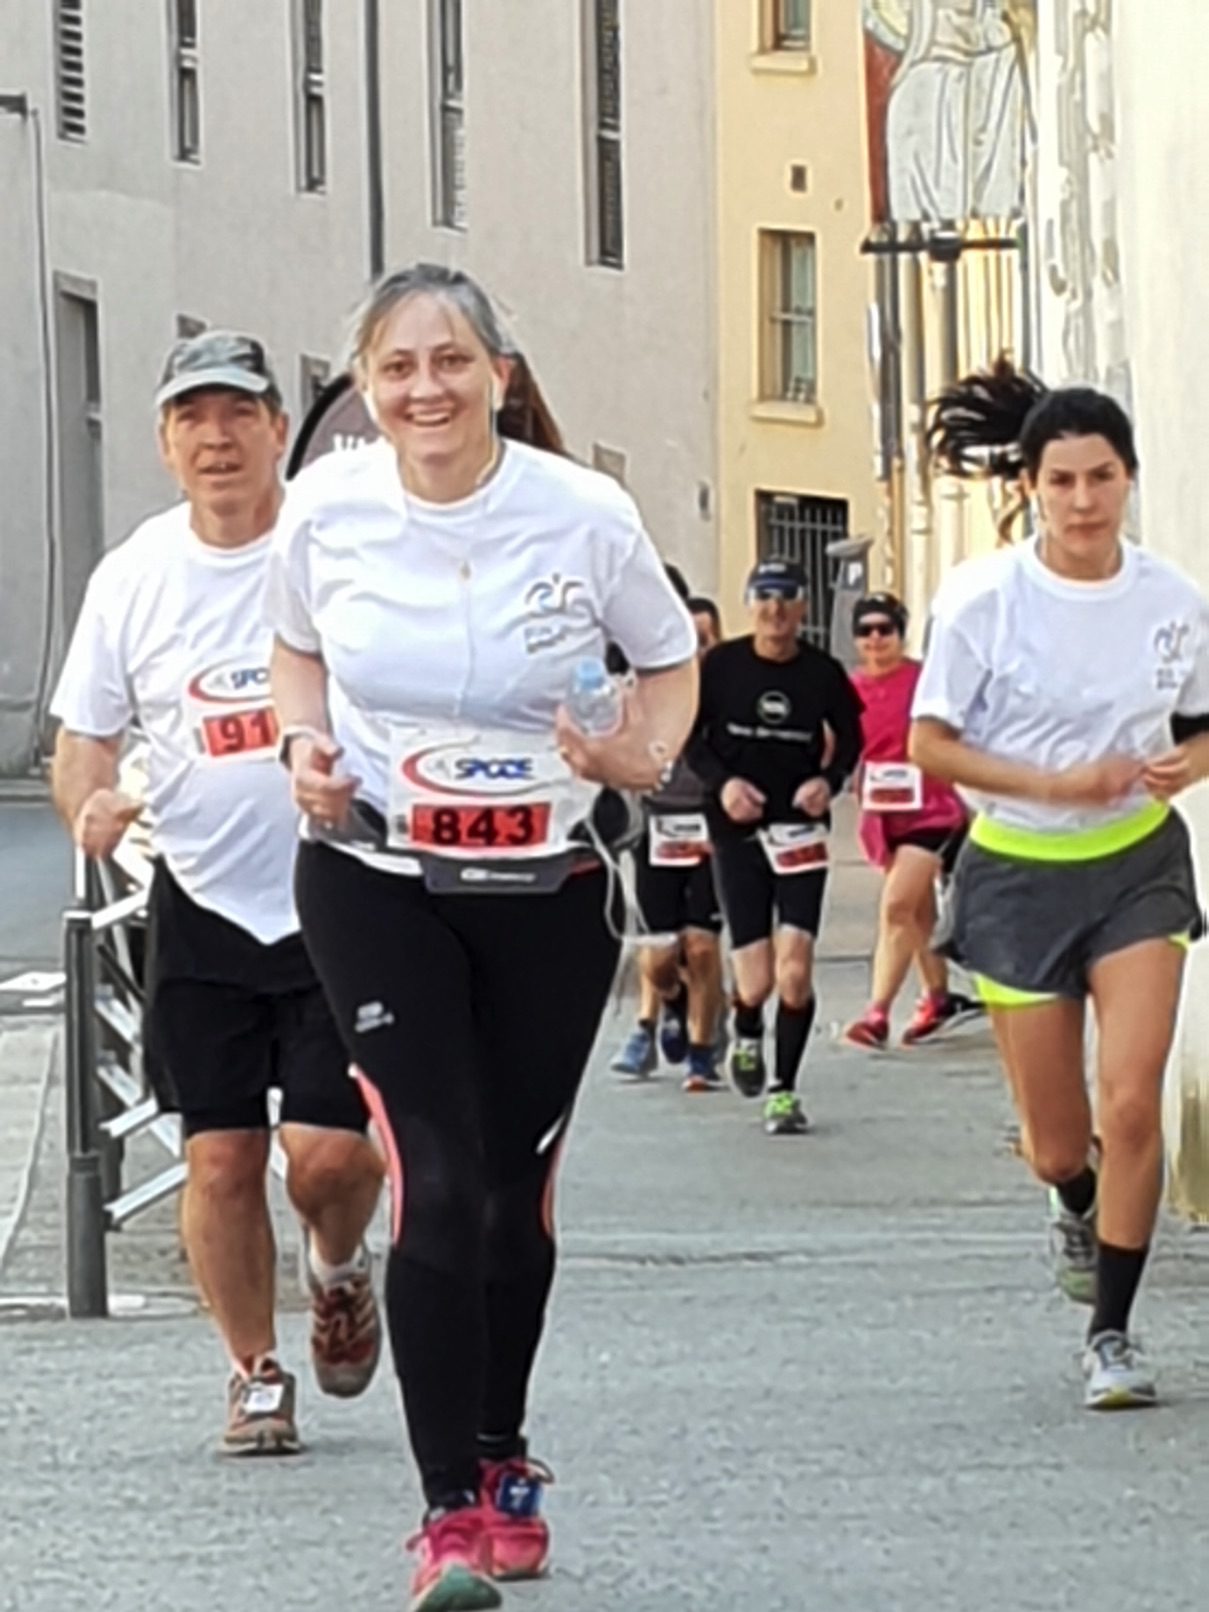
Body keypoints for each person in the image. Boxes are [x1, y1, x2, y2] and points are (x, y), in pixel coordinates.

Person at [265, 262, 697, 1611]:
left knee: (514, 1194)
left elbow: (671, 660)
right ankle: (447, 1510)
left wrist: (635, 758)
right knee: (437, 1179)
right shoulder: (325, 508)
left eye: (450, 361)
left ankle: (504, 1449)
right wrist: (301, 746)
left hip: (546, 888)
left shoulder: (583, 514)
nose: (426, 390)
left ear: (499, 376)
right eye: (397, 367)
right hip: (375, 872)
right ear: (364, 387)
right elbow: (293, 652)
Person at [49, 331, 384, 1455]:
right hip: (199, 900)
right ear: (164, 442)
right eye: (193, 417)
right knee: (221, 1157)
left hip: (336, 889)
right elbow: (83, 741)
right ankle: (254, 1372)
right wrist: (91, 807)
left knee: (328, 1157)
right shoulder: (135, 575)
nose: (217, 437)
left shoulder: (332, 547)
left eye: (239, 412)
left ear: (279, 429)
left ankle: (338, 1264)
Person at [912, 358, 1209, 1410]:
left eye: (1101, 477)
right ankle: (1072, 1199)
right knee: (1054, 1140)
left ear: (1129, 478)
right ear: (1030, 487)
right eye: (1062, 481)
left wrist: (1190, 764)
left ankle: (1112, 1333)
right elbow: (930, 743)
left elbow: (1201, 723)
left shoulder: (1173, 600)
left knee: (1131, 1102)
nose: (1083, 501)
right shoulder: (984, 600)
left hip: (1136, 866)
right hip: (1017, 871)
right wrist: (1050, 783)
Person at [688, 556, 864, 1135]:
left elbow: (851, 739)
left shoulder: (822, 672)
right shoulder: (721, 667)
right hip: (737, 827)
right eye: (764, 596)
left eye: (787, 596)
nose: (775, 608)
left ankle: (784, 1090)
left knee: (794, 974)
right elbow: (690, 738)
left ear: (804, 607)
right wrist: (724, 785)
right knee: (757, 981)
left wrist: (829, 782)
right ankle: (745, 1027)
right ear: (749, 605)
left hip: (799, 828)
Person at [842, 590, 982, 1049]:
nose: (875, 639)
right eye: (865, 630)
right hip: (883, 819)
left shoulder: (925, 681)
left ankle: (876, 1014)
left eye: (885, 629)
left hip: (933, 810)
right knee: (918, 911)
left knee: (897, 906)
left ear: (901, 633)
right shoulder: (848, 690)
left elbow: (962, 728)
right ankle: (937, 996)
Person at [611, 592, 727, 1091]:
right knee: (659, 956)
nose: (697, 651)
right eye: (690, 640)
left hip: (711, 824)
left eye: (706, 641)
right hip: (655, 825)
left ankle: (702, 1053)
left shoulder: (725, 695)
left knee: (701, 945)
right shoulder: (647, 690)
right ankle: (674, 1005)